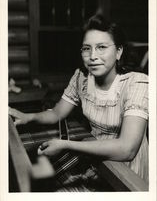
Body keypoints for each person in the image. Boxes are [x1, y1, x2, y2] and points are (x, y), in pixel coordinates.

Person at [9, 14, 148, 184]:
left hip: (126, 171)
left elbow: (128, 149)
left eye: (102, 47)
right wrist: (27, 117)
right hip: (96, 157)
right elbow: (58, 113)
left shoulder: (137, 83)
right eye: (86, 48)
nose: (92, 56)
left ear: (118, 51)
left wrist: (66, 145)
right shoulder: (81, 78)